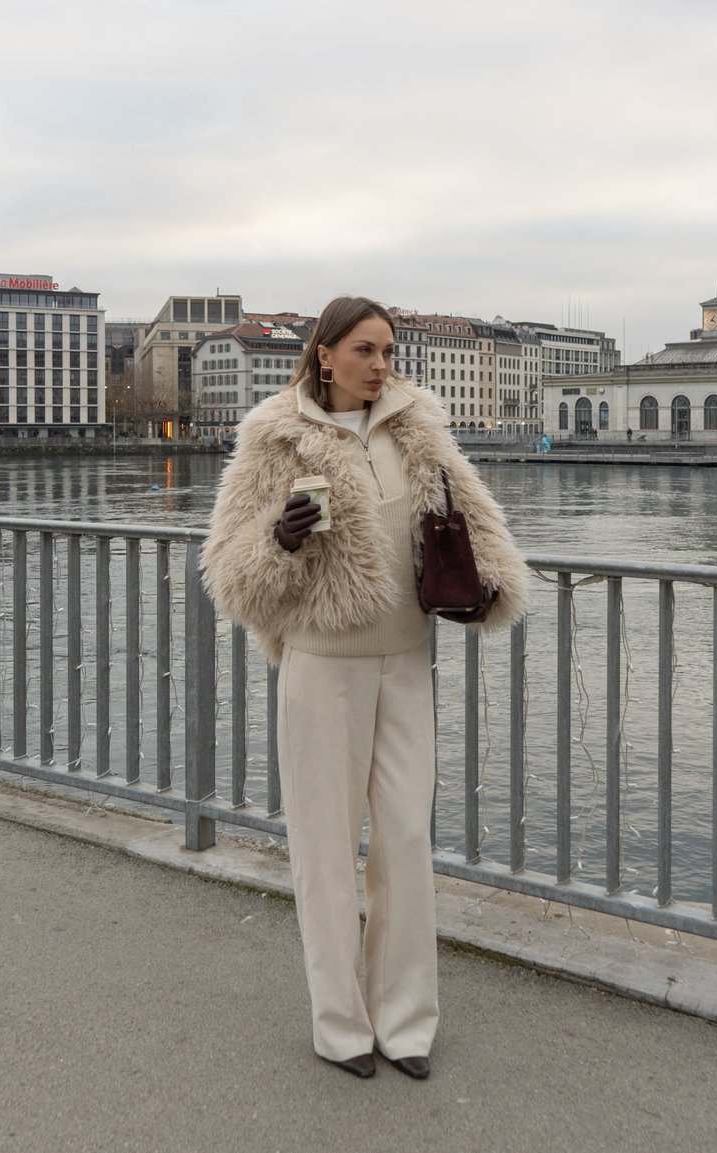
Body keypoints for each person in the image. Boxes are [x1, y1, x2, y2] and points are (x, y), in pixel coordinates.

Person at [201, 296, 528, 1081]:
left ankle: (406, 1021)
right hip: (322, 667)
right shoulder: (273, 437)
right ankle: (340, 1024)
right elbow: (226, 571)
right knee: (322, 848)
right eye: (366, 350)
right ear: (324, 355)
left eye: (389, 350)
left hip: (405, 661)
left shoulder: (420, 427)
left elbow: (480, 529)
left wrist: (493, 589)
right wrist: (277, 542)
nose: (383, 365)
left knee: (407, 843)